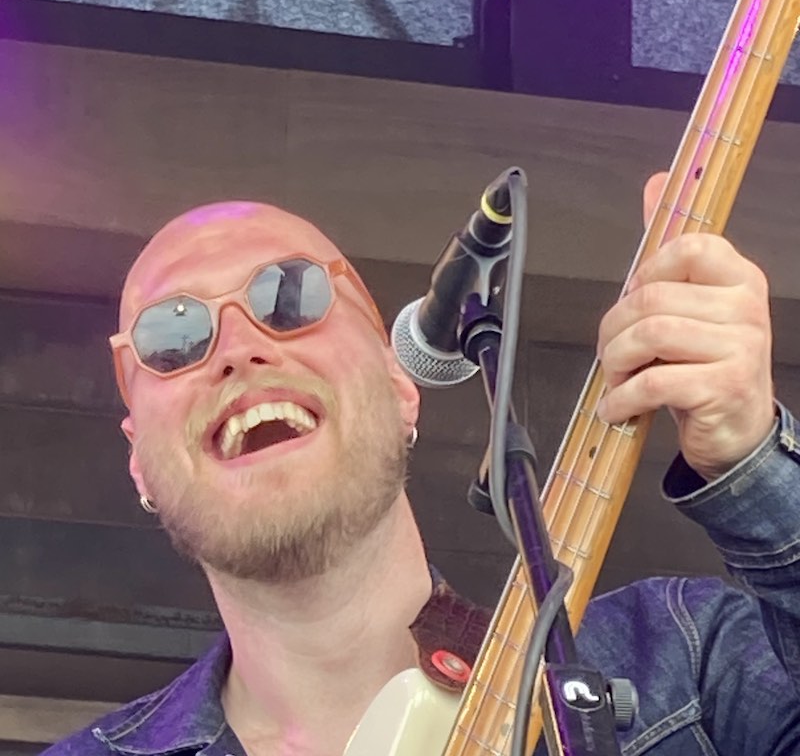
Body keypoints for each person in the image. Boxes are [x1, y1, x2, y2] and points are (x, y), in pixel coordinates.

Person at [44, 173, 800, 756]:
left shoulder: (680, 661)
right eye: (171, 336)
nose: (239, 349)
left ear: (401, 389)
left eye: (289, 295)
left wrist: (753, 459)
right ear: (139, 463)